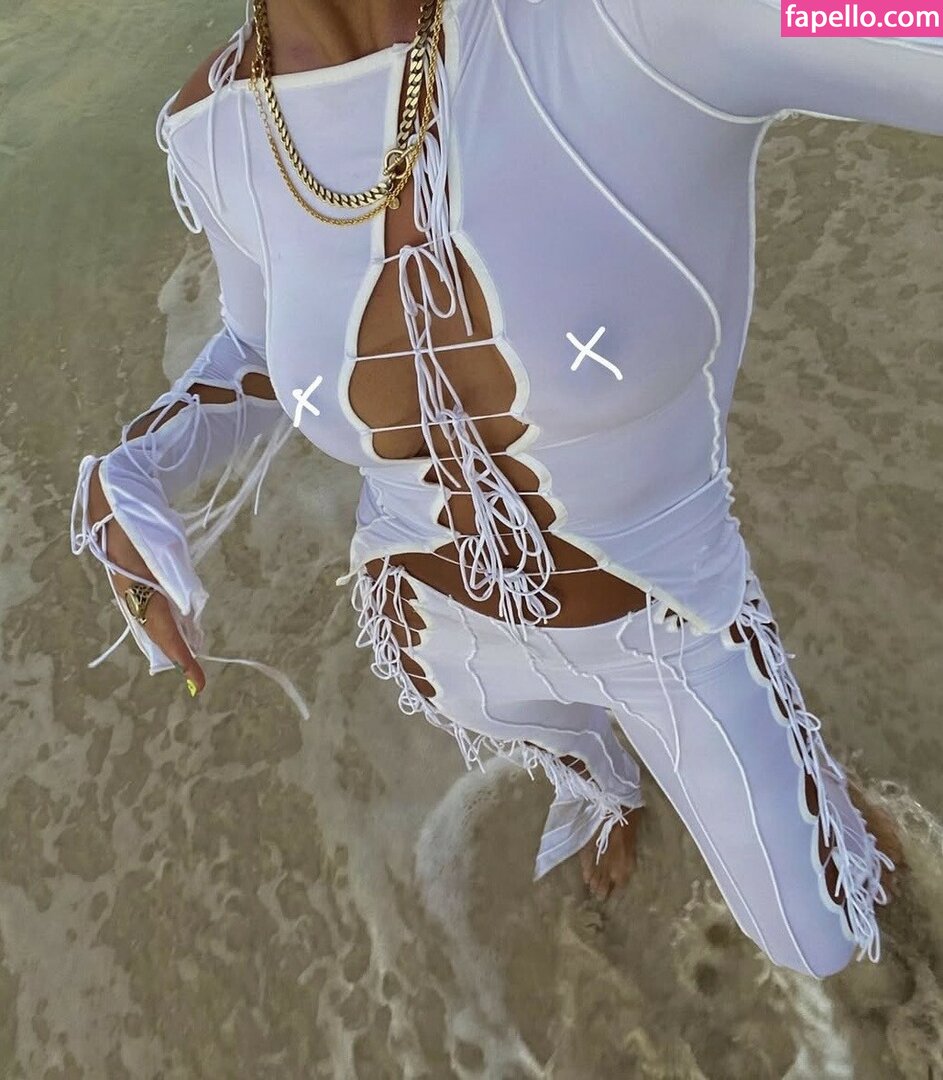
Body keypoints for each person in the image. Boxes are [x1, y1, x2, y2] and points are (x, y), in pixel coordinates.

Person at [70, 0, 941, 978]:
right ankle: (610, 788)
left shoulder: (626, 26)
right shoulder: (218, 122)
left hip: (666, 623)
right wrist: (133, 469)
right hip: (435, 635)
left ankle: (812, 785)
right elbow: (263, 349)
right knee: (583, 762)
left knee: (823, 939)